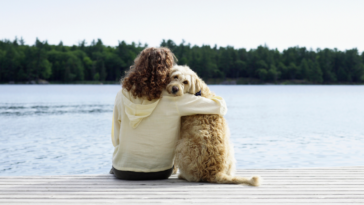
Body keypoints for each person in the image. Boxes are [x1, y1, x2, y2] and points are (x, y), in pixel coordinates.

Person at [110, 47, 227, 180]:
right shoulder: (176, 99)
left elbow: (116, 138)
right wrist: (199, 92)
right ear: (167, 71)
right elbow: (220, 107)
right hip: (160, 171)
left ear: (138, 67)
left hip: (123, 170)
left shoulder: (121, 94)